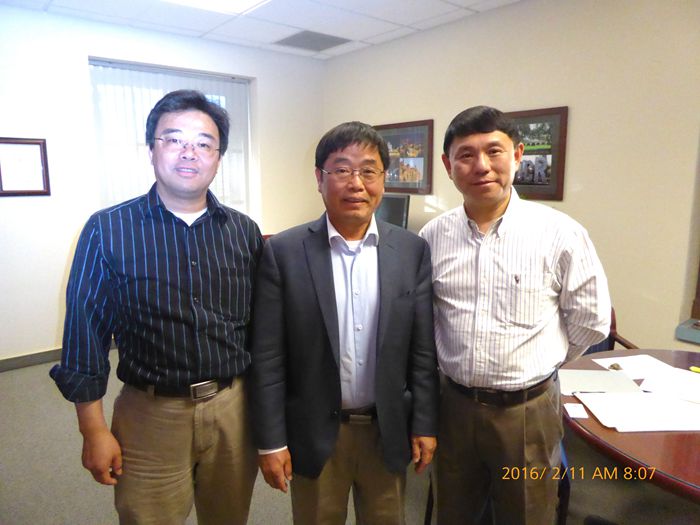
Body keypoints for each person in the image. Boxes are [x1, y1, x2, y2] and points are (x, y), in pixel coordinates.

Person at [50, 89, 262, 525]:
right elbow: (84, 334)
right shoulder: (107, 229)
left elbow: (260, 329)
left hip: (234, 409)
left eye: (203, 143)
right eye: (174, 139)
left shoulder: (244, 231)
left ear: (218, 158)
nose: (189, 152)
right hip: (151, 415)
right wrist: (93, 429)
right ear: (152, 149)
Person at [419, 106, 611, 525]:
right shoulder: (432, 236)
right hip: (453, 407)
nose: (481, 165)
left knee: (527, 514)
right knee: (454, 512)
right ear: (448, 165)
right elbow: (428, 319)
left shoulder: (560, 233)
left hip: (527, 412)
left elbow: (590, 322)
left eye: (494, 151)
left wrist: (537, 365)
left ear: (518, 155)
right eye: (466, 154)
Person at [249, 121, 439, 524]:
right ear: (320, 179)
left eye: (368, 171)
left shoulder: (411, 251)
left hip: (386, 430)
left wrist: (424, 422)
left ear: (383, 180)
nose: (356, 183)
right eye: (341, 170)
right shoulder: (283, 252)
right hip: (315, 433)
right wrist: (270, 442)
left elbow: (422, 351)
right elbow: (267, 357)